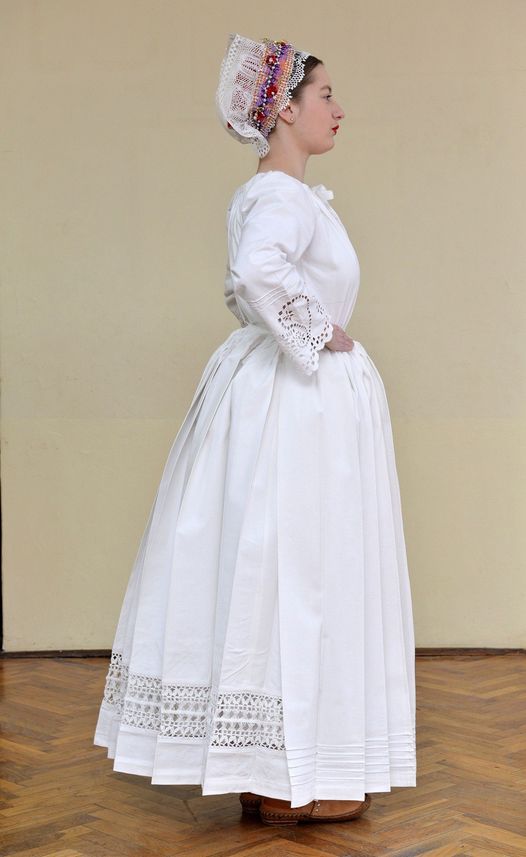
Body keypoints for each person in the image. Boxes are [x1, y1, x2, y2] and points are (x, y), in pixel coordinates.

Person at [93, 32, 417, 827]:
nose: (339, 110)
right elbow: (255, 272)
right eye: (325, 96)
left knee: (276, 568)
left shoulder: (278, 194)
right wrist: (323, 333)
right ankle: (292, 772)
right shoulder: (281, 196)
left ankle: (272, 764)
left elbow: (253, 279)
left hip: (278, 395)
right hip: (293, 406)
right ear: (284, 110)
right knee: (299, 569)